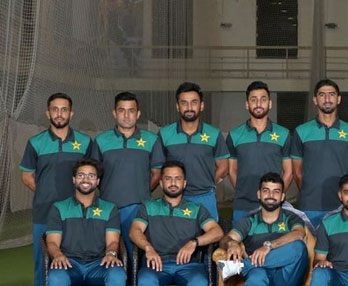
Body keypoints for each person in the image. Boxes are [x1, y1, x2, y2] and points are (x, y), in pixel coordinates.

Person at [130, 160, 224, 286]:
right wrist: (148, 247)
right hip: (157, 264)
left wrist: (194, 242)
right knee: (145, 281)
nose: (173, 182)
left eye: (177, 178)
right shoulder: (148, 206)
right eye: (168, 178)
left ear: (184, 182)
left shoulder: (196, 208)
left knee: (200, 282)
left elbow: (217, 232)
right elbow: (134, 231)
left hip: (188, 266)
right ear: (161, 183)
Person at [20, 93, 95, 286]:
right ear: (48, 113)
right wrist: (47, 196)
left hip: (79, 215)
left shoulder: (84, 142)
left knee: (83, 261)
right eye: (55, 109)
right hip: (44, 215)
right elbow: (28, 176)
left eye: (64, 110)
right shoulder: (36, 142)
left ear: (71, 114)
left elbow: (90, 175)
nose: (59, 114)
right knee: (42, 267)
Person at [44, 159, 126, 286]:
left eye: (91, 175)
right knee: (55, 276)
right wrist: (58, 255)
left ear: (97, 181)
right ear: (74, 179)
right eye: (81, 175)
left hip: (98, 265)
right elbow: (52, 242)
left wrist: (111, 254)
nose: (86, 179)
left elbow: (113, 241)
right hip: (70, 264)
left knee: (118, 273)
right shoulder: (59, 208)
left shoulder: (109, 208)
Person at [219, 172, 308, 286]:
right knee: (256, 277)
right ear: (259, 194)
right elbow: (227, 238)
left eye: (276, 191)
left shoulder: (291, 218)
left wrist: (268, 246)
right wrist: (232, 243)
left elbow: (299, 235)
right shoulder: (249, 221)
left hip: (287, 277)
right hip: (261, 276)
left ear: (283, 196)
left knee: (298, 247)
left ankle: (242, 266)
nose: (271, 195)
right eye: (266, 190)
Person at [95, 92, 164, 258]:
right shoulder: (101, 140)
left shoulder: (151, 139)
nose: (126, 115)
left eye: (131, 111)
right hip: (107, 209)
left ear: (138, 114)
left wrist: (139, 192)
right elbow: (93, 176)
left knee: (137, 257)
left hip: (138, 209)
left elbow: (157, 174)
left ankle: (137, 285)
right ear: (114, 113)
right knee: (108, 254)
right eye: (122, 110)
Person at [291, 79, 348, 226]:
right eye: (322, 95)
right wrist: (309, 192)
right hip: (310, 206)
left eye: (331, 94)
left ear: (339, 99)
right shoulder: (301, 131)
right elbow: (297, 172)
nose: (327, 99)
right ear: (315, 100)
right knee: (311, 247)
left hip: (341, 206)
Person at [159, 82, 229, 221]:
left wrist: (207, 182)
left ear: (201, 106)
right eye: (184, 103)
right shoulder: (165, 134)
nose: (189, 107)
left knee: (209, 238)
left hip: (205, 197)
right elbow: (158, 169)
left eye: (194, 102)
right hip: (175, 198)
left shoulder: (214, 134)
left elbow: (224, 167)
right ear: (177, 106)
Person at [227, 82, 293, 223]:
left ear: (269, 104)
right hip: (242, 205)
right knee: (238, 243)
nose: (258, 103)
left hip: (273, 206)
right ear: (247, 104)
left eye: (263, 99)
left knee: (272, 243)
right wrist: (243, 191)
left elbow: (289, 172)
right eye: (253, 99)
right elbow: (231, 170)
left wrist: (275, 195)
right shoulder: (234, 135)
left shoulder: (283, 134)